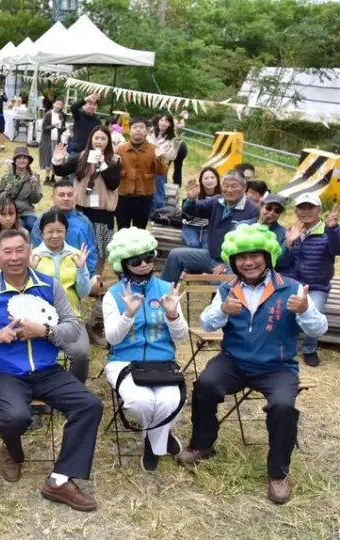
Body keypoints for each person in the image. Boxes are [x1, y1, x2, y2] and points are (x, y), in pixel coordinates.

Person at [177, 224, 327, 504]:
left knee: (283, 406)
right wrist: (222, 309)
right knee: (205, 384)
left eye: (254, 255)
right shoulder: (227, 288)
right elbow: (206, 322)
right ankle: (202, 443)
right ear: (233, 261)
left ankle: (278, 472)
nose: (248, 262)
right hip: (234, 361)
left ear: (267, 256)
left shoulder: (291, 288)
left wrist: (305, 311)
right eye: (240, 258)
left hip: (278, 367)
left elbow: (319, 328)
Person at [0, 229, 102, 512]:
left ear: (29, 252)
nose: (14, 257)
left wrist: (45, 330)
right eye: (7, 252)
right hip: (6, 372)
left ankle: (60, 480)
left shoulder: (50, 286)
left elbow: (73, 329)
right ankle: (12, 451)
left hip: (48, 370)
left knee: (90, 405)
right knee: (14, 417)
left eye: (20, 250)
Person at [103, 227, 189, 471]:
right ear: (123, 263)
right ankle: (160, 437)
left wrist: (172, 314)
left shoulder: (166, 289)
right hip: (123, 361)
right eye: (136, 260)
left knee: (171, 401)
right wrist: (128, 314)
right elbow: (112, 337)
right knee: (141, 402)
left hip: (163, 361)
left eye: (149, 257)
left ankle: (152, 443)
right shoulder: (113, 294)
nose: (144, 264)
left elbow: (181, 337)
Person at [161, 171, 259, 283]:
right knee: (176, 255)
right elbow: (193, 210)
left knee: (220, 282)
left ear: (244, 188)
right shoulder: (217, 201)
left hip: (234, 263)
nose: (229, 190)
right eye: (226, 186)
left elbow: (247, 246)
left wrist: (227, 265)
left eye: (234, 186)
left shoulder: (251, 210)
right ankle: (163, 294)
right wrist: (191, 200)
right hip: (210, 256)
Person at [278, 193, 340, 367]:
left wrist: (334, 229)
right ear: (296, 211)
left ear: (319, 210)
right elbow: (280, 262)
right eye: (301, 208)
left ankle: (309, 349)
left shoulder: (328, 231)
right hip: (291, 283)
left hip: (316, 286)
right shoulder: (291, 231)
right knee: (282, 312)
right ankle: (287, 346)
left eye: (310, 207)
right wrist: (288, 244)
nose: (305, 212)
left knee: (316, 312)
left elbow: (337, 250)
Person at [30, 209, 92, 383]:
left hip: (70, 318)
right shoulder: (33, 256)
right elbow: (24, 294)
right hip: (38, 319)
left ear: (66, 232)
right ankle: (38, 395)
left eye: (60, 231)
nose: (55, 236)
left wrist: (81, 269)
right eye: (50, 231)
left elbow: (84, 292)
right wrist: (30, 271)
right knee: (34, 354)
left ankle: (73, 391)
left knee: (81, 354)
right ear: (41, 233)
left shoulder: (75, 255)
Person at [51, 126, 121, 275]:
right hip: (82, 208)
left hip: (103, 211)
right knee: (80, 242)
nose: (99, 142)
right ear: (91, 139)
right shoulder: (82, 156)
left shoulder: (114, 159)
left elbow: (113, 183)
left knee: (101, 246)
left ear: (108, 141)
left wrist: (102, 165)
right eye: (96, 138)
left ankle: (96, 276)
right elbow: (62, 171)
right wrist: (57, 161)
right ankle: (78, 273)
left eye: (103, 139)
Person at [115, 117, 169, 229]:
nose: (138, 130)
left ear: (146, 131)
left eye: (141, 127)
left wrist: (159, 158)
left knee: (140, 230)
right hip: (123, 196)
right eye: (134, 127)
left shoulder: (154, 149)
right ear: (129, 131)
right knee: (122, 229)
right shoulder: (120, 149)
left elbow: (162, 171)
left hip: (144, 196)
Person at [0, 147, 42, 231]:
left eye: (25, 158)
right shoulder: (8, 177)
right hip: (11, 211)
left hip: (27, 211)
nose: (22, 160)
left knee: (33, 225)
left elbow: (35, 200)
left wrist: (34, 187)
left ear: (28, 161)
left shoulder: (33, 177)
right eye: (19, 158)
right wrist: (6, 193)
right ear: (15, 160)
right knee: (20, 227)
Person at [148, 114, 183, 210]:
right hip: (147, 164)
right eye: (161, 120)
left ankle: (159, 211)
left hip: (160, 166)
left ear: (170, 125)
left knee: (158, 190)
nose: (163, 123)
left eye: (166, 121)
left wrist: (175, 145)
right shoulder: (151, 131)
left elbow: (171, 156)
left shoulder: (172, 138)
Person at [181, 167, 221, 249]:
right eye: (206, 178)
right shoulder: (195, 194)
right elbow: (186, 210)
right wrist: (190, 200)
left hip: (210, 229)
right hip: (191, 226)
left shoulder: (222, 197)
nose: (210, 180)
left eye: (212, 177)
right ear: (201, 181)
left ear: (217, 180)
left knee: (207, 246)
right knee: (193, 244)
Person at [39, 99, 68, 185]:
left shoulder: (61, 115)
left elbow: (61, 128)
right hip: (48, 140)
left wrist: (66, 128)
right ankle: (47, 177)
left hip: (57, 139)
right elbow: (44, 128)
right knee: (48, 158)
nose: (58, 106)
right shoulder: (48, 114)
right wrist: (53, 126)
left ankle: (53, 177)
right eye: (57, 104)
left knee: (56, 158)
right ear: (53, 104)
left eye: (60, 105)